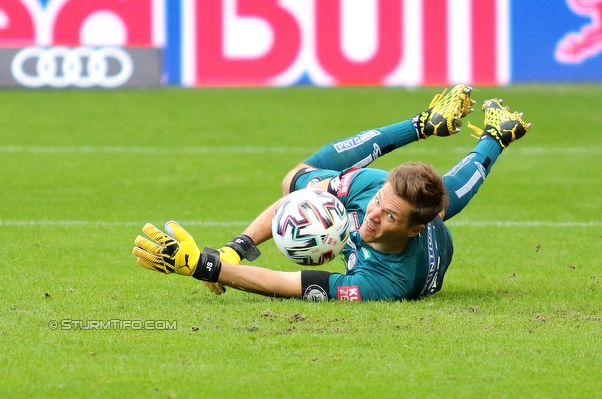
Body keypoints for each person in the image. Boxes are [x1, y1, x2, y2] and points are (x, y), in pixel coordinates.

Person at [132, 85, 531, 302]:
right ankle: (477, 132)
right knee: (298, 182)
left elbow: (282, 283)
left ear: (411, 230)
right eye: (379, 205)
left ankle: (432, 125)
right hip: (406, 211)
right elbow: (292, 204)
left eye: (389, 216)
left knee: (442, 205)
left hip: (427, 249)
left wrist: (203, 265)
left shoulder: (384, 284)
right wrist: (234, 250)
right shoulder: (374, 189)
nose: (374, 214)